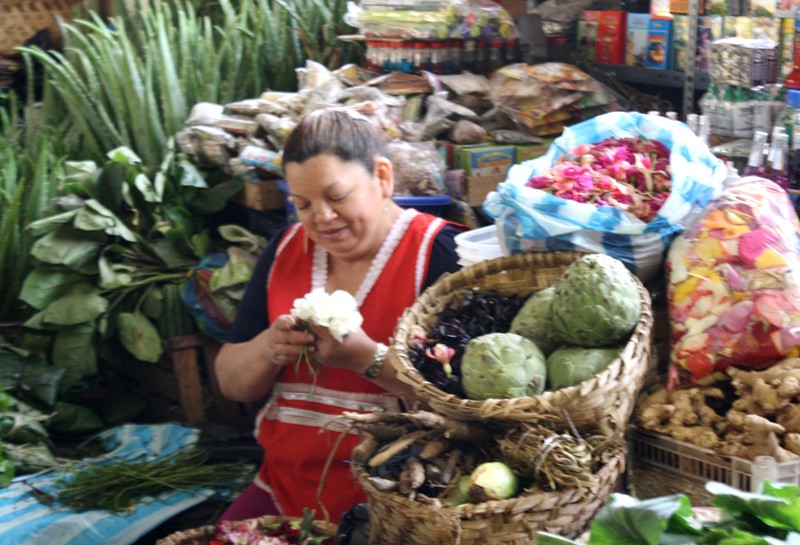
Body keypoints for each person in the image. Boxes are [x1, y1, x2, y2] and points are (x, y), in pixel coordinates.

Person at [214, 108, 465, 524]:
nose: (321, 218)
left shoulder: (439, 254)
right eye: (303, 204)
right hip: (285, 489)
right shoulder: (284, 250)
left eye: (337, 197)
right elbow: (231, 382)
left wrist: (367, 359)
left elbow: (470, 408)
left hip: (399, 505)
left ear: (382, 178)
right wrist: (269, 348)